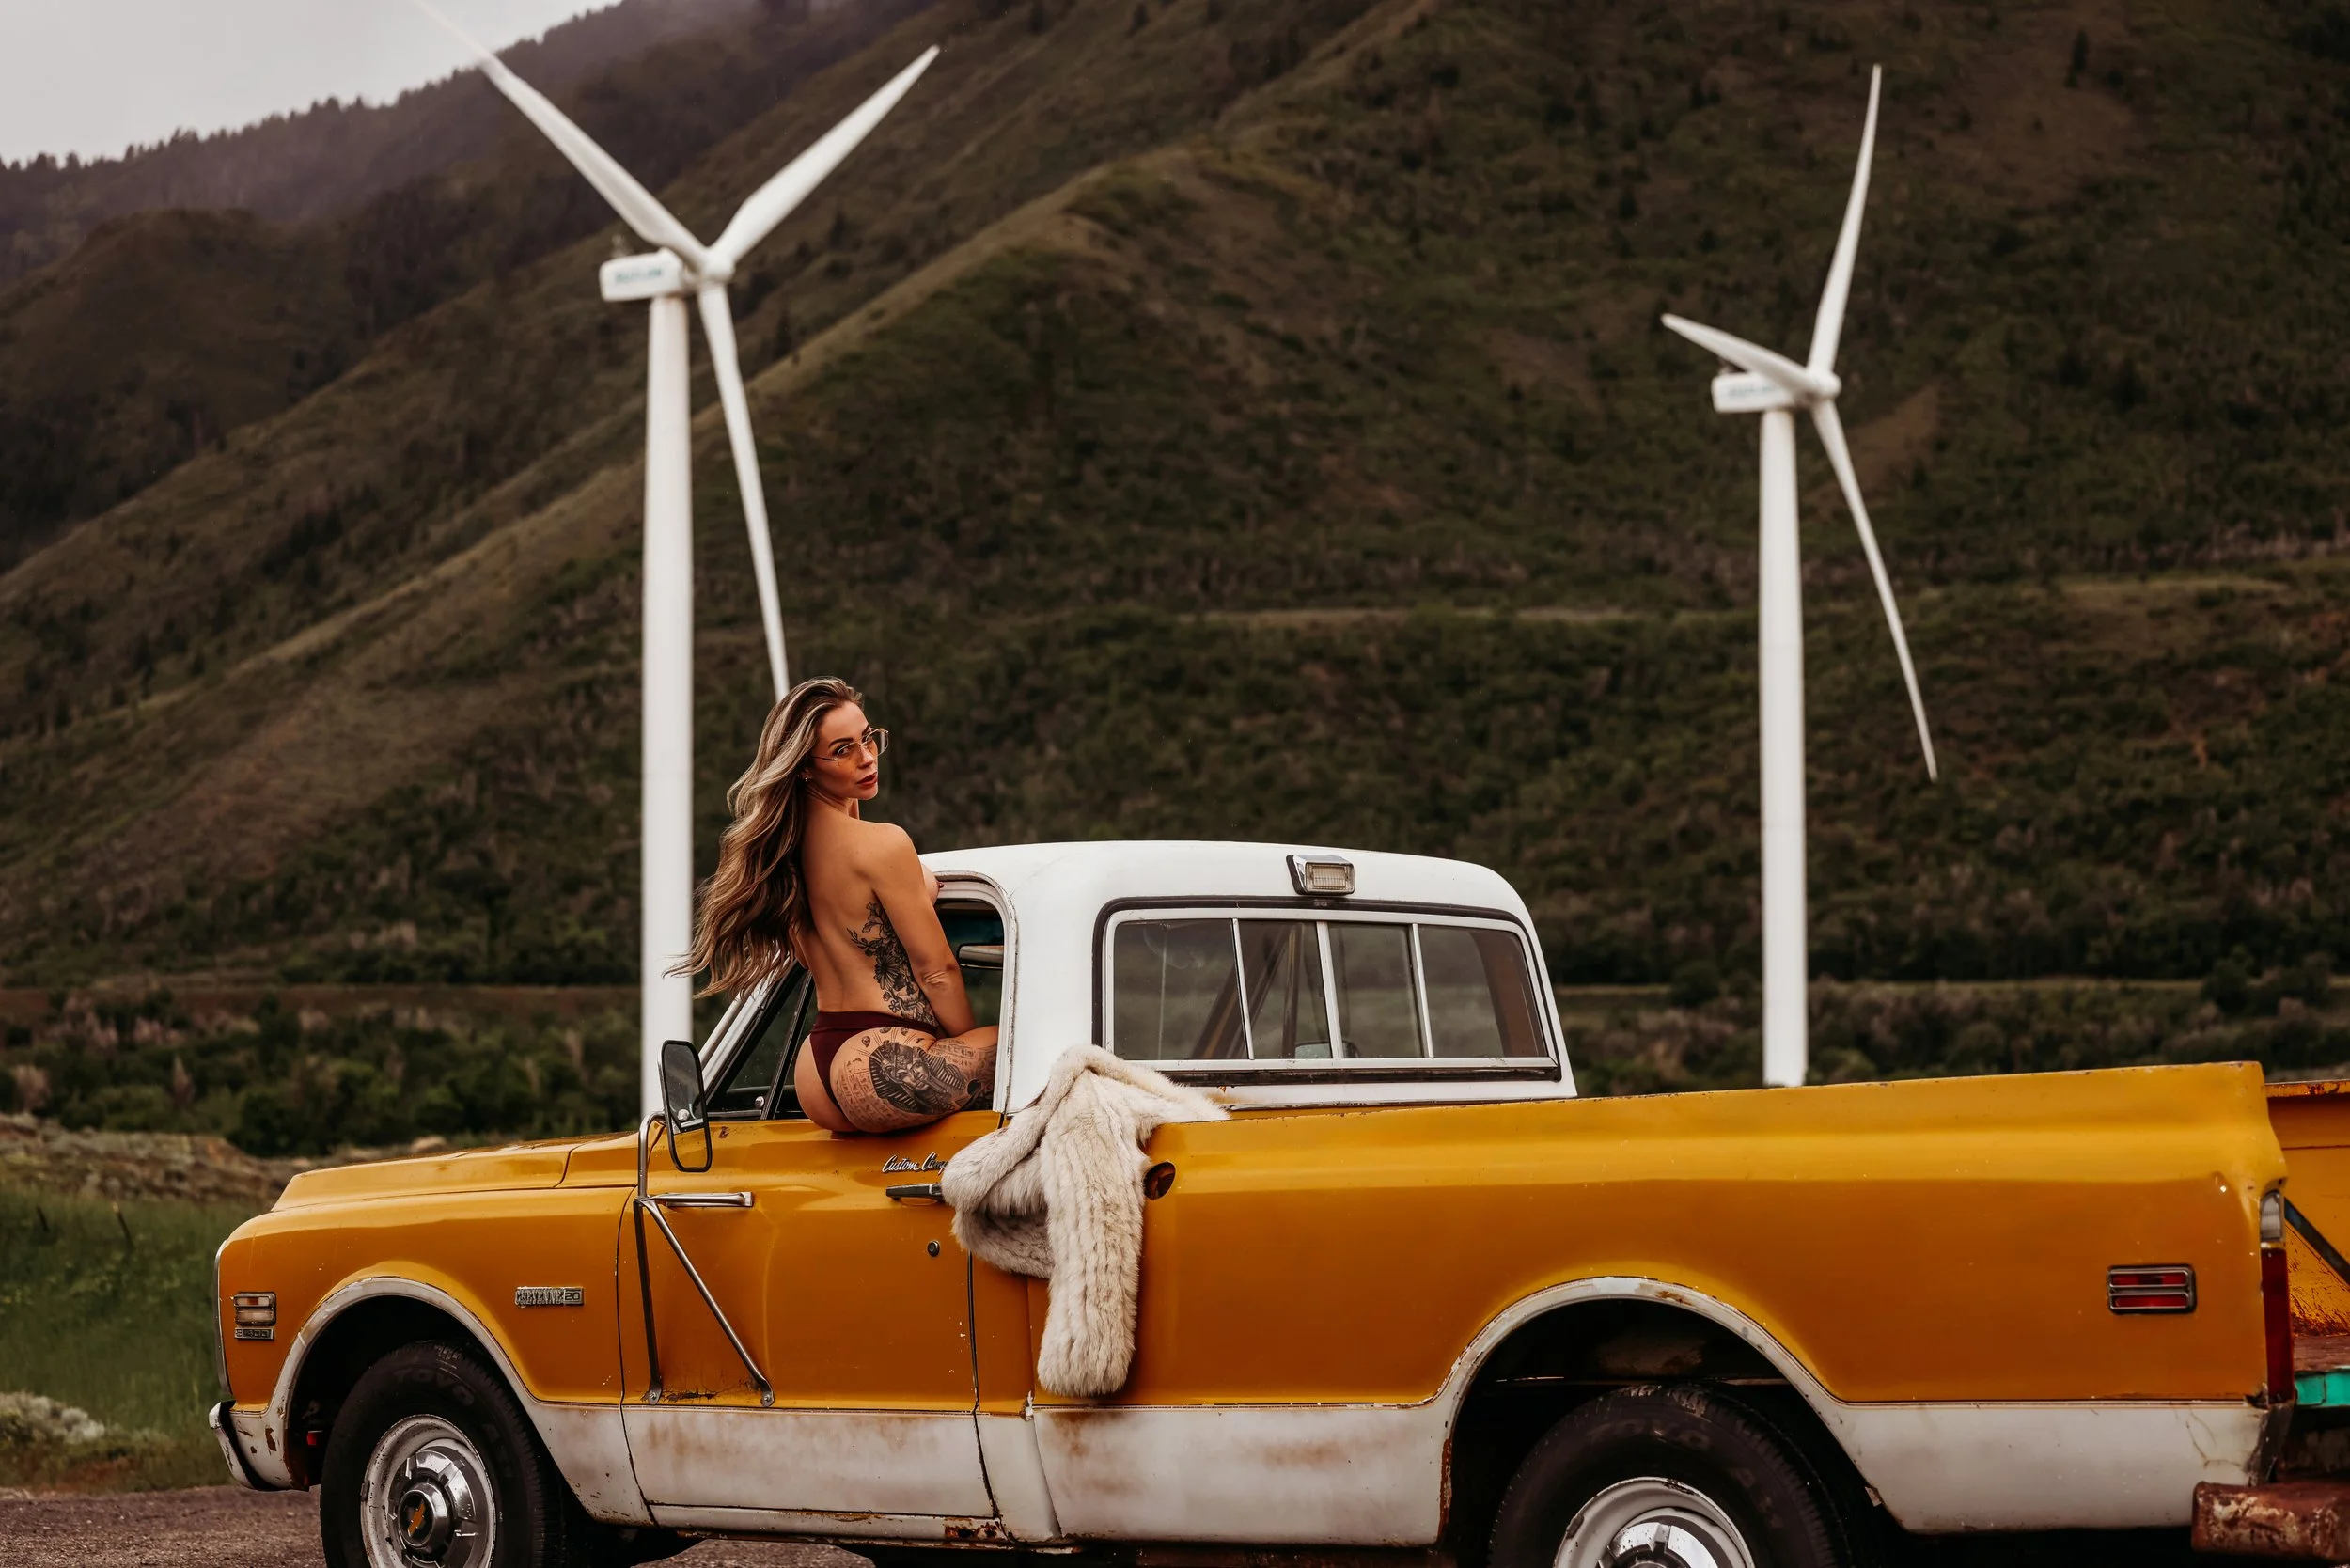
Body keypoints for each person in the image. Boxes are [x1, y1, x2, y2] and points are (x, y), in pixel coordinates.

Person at [685, 678, 997, 1133]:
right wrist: (962, 1043)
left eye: (869, 738)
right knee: (1038, 1049)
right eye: (843, 750)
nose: (867, 757)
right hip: (883, 1063)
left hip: (819, 1069)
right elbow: (937, 971)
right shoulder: (882, 846)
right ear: (805, 769)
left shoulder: (779, 862)